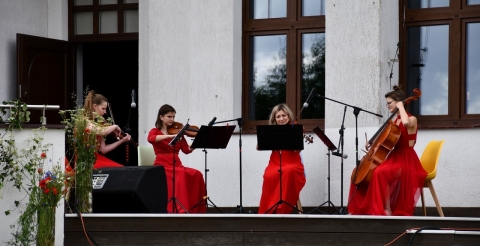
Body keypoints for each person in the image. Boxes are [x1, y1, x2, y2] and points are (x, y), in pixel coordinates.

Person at [347, 85, 427, 216]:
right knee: (359, 172)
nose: (387, 106)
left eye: (389, 103)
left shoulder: (412, 119)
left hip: (406, 159)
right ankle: (366, 208)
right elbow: (387, 138)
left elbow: (406, 124)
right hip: (394, 157)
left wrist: (401, 107)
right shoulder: (394, 120)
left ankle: (387, 209)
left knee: (380, 173)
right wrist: (373, 141)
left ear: (399, 102)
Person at [147, 104, 206, 213]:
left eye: (173, 117)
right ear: (161, 117)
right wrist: (170, 136)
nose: (172, 119)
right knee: (179, 174)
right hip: (162, 165)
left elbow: (186, 150)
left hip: (177, 164)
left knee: (197, 174)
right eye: (169, 116)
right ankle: (179, 209)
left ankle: (195, 209)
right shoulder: (155, 131)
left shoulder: (177, 132)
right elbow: (151, 139)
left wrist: (198, 142)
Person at [258, 103, 306, 214]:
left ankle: (281, 208)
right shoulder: (272, 131)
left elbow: (297, 151)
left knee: (288, 171)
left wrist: (297, 139)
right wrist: (263, 141)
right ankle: (270, 208)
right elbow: (259, 147)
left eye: (284, 115)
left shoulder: (294, 128)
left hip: (292, 163)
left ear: (289, 116)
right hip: (275, 163)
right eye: (278, 116)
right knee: (268, 175)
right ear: (274, 119)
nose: (281, 119)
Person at [83, 90, 131, 169]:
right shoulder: (85, 121)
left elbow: (103, 150)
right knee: (118, 171)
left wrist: (122, 140)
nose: (105, 112)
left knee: (121, 168)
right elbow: (100, 131)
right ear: (94, 106)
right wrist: (114, 126)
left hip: (97, 158)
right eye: (103, 109)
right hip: (86, 160)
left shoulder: (99, 124)